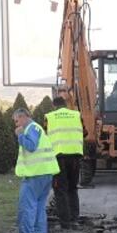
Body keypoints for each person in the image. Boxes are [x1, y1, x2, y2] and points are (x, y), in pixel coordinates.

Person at [13, 108, 59, 233]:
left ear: (23, 117)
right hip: (45, 174)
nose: (16, 125)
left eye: (16, 120)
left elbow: (31, 146)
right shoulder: (37, 128)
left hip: (34, 175)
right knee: (39, 207)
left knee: (27, 206)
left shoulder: (30, 129)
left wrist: (20, 135)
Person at [45, 96, 85, 225]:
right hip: (75, 156)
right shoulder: (76, 115)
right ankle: (74, 217)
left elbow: (45, 135)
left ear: (54, 106)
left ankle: (65, 221)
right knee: (72, 187)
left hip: (58, 157)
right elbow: (85, 132)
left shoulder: (49, 117)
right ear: (66, 104)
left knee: (60, 189)